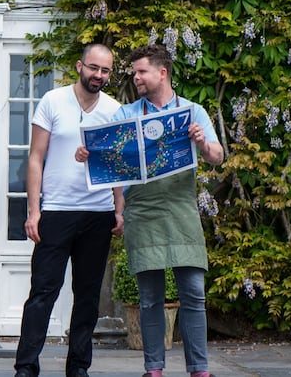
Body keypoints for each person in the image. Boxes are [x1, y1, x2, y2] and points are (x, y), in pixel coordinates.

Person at [78, 44, 223, 377]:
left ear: (162, 73)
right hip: (142, 212)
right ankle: (153, 369)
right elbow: (111, 167)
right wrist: (90, 156)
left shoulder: (192, 112)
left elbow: (217, 156)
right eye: (134, 72)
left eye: (141, 71)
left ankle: (199, 370)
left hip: (181, 208)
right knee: (149, 297)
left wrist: (202, 142)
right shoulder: (126, 115)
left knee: (193, 294)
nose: (136, 77)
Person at [14, 43, 124, 377]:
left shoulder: (114, 110)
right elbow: (35, 157)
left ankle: (78, 367)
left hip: (98, 212)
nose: (99, 76)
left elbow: (119, 164)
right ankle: (26, 366)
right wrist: (34, 210)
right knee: (42, 293)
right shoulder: (52, 101)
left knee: (87, 295)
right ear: (79, 66)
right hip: (57, 210)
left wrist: (119, 208)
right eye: (94, 68)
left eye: (105, 71)